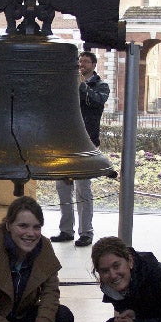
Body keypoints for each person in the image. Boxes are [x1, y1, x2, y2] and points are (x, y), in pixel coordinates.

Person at [50, 51, 110, 248]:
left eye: (85, 62)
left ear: (93, 65)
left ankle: (86, 232)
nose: (81, 65)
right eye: (80, 62)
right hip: (65, 143)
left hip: (86, 143)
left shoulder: (101, 86)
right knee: (63, 189)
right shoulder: (70, 84)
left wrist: (81, 85)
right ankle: (66, 230)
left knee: (83, 189)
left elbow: (96, 102)